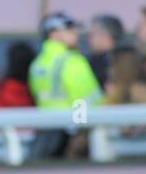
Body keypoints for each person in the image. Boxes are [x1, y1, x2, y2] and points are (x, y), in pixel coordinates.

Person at [28, 12, 102, 158]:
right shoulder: (72, 61)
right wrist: (82, 131)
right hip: (71, 135)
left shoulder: (37, 64)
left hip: (45, 134)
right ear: (53, 34)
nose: (75, 33)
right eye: (69, 29)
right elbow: (84, 100)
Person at [87, 15, 123, 87]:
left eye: (92, 34)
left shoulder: (98, 62)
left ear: (105, 36)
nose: (89, 39)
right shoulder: (128, 58)